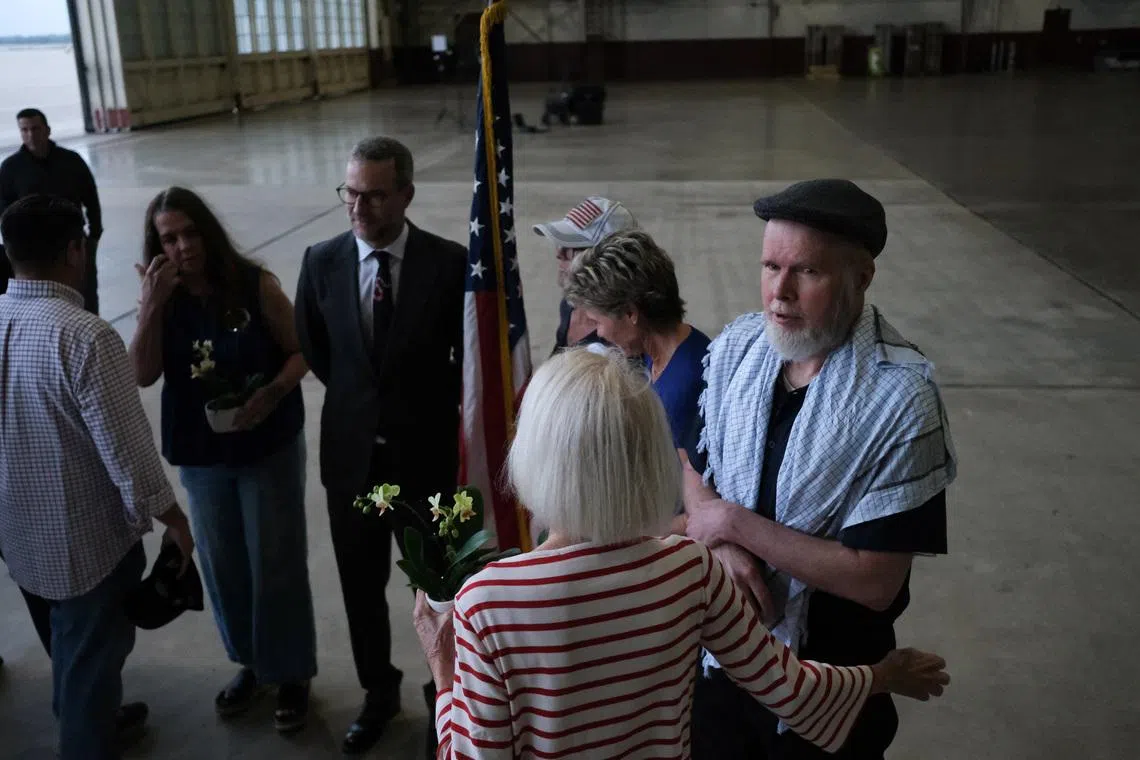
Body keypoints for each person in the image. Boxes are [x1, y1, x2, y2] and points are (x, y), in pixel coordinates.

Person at [411, 347, 950, 759]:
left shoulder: (489, 601)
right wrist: (883, 676)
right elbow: (788, 687)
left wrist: (443, 668)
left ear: (533, 455)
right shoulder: (690, 568)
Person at [683, 179, 958, 760]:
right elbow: (694, 463)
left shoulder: (900, 399)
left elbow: (874, 583)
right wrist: (724, 548)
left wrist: (732, 523)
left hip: (832, 691)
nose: (779, 293)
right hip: (721, 664)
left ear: (862, 277)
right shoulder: (738, 349)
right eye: (770, 267)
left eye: (807, 272)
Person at [0, 195, 195, 759]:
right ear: (74, 251)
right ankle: (88, 732)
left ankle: (94, 715)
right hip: (85, 548)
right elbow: (127, 454)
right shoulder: (85, 336)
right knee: (89, 660)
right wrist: (175, 520)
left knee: (68, 650)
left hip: (18, 535)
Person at [295, 136, 466, 756]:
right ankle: (378, 693)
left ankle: (446, 693)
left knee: (440, 589)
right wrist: (363, 407)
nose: (357, 206)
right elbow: (317, 349)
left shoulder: (450, 264)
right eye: (350, 192)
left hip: (427, 464)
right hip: (353, 465)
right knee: (360, 588)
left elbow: (468, 362)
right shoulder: (321, 261)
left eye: (373, 195)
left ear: (406, 195)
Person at [127, 187, 317, 733]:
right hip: (202, 453)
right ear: (157, 248)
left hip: (266, 445)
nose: (183, 246)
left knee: (275, 562)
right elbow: (142, 373)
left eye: (190, 232)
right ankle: (252, 665)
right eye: (169, 239)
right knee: (222, 564)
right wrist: (150, 306)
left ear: (207, 231)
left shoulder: (254, 285)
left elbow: (302, 350)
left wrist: (274, 392)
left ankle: (291, 672)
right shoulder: (163, 300)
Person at [563, 228, 710, 455]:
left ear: (631, 313)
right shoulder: (662, 353)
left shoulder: (685, 387)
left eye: (597, 321)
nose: (599, 333)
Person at [0, 109, 103, 312]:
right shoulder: (11, 168)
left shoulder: (71, 161)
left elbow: (91, 197)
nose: (30, 135)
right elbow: (5, 211)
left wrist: (94, 236)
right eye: (24, 130)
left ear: (47, 130)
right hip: (33, 251)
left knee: (86, 296)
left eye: (35, 129)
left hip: (72, 243)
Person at [532, 195, 638, 354]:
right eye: (560, 245)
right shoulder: (570, 303)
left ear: (607, 260)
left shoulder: (623, 334)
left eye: (571, 247)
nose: (559, 254)